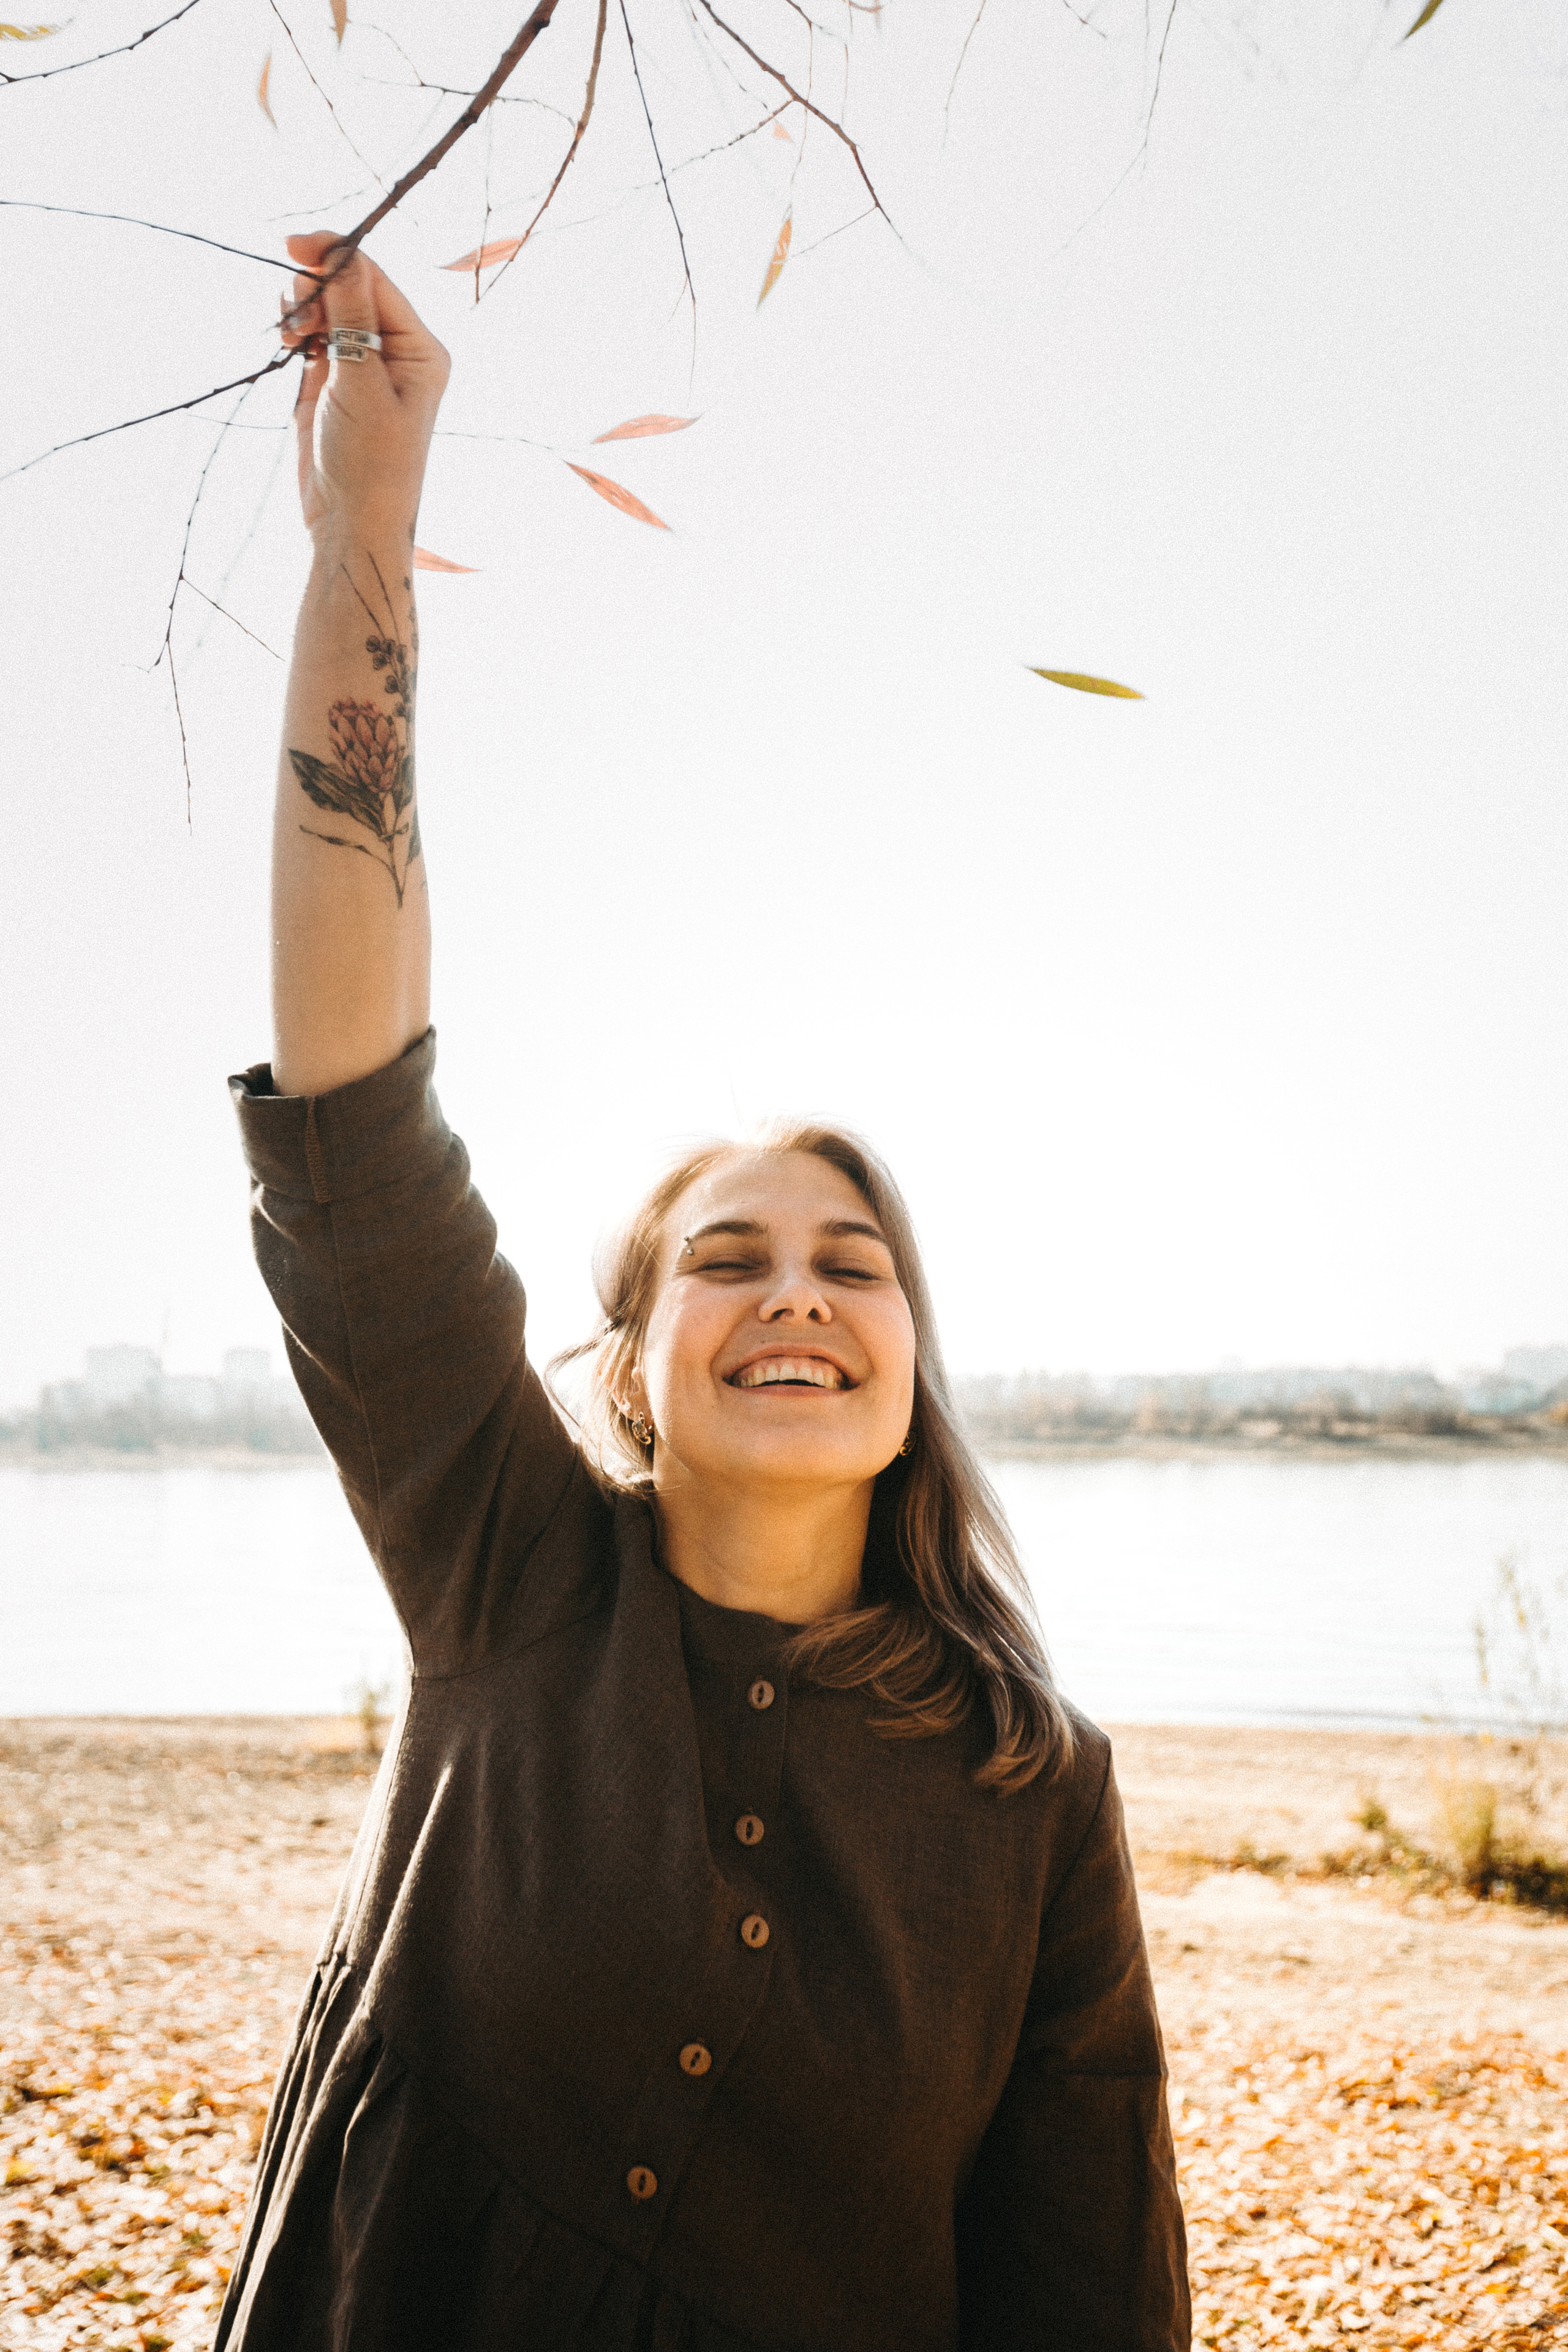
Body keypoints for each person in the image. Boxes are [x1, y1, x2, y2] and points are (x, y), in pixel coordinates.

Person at [214, 232, 1189, 2352]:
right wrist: (367, 530)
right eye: (727, 1261)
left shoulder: (1036, 1785)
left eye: (853, 1265)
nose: (797, 1295)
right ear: (635, 1368)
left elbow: (1085, 2271)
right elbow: (351, 1094)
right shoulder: (504, 1569)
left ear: (913, 1370)